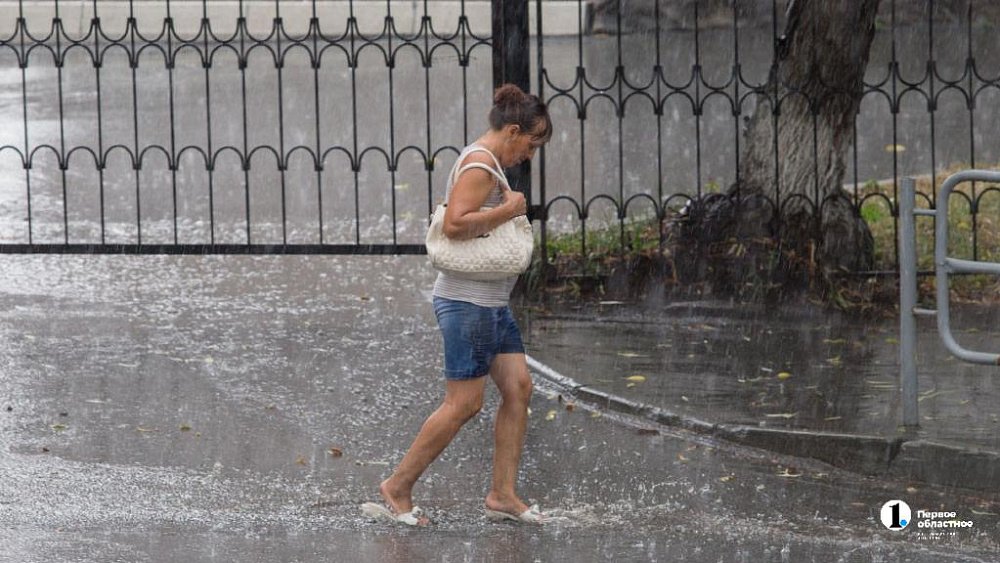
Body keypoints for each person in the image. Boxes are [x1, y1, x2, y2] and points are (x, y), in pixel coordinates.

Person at [363, 84, 552, 526]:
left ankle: (502, 494)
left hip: (490, 303)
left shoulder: (485, 162)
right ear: (511, 131)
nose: (530, 153)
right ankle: (398, 485)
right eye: (531, 142)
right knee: (463, 404)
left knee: (519, 387)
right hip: (469, 304)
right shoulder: (481, 166)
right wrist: (509, 211)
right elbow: (453, 225)